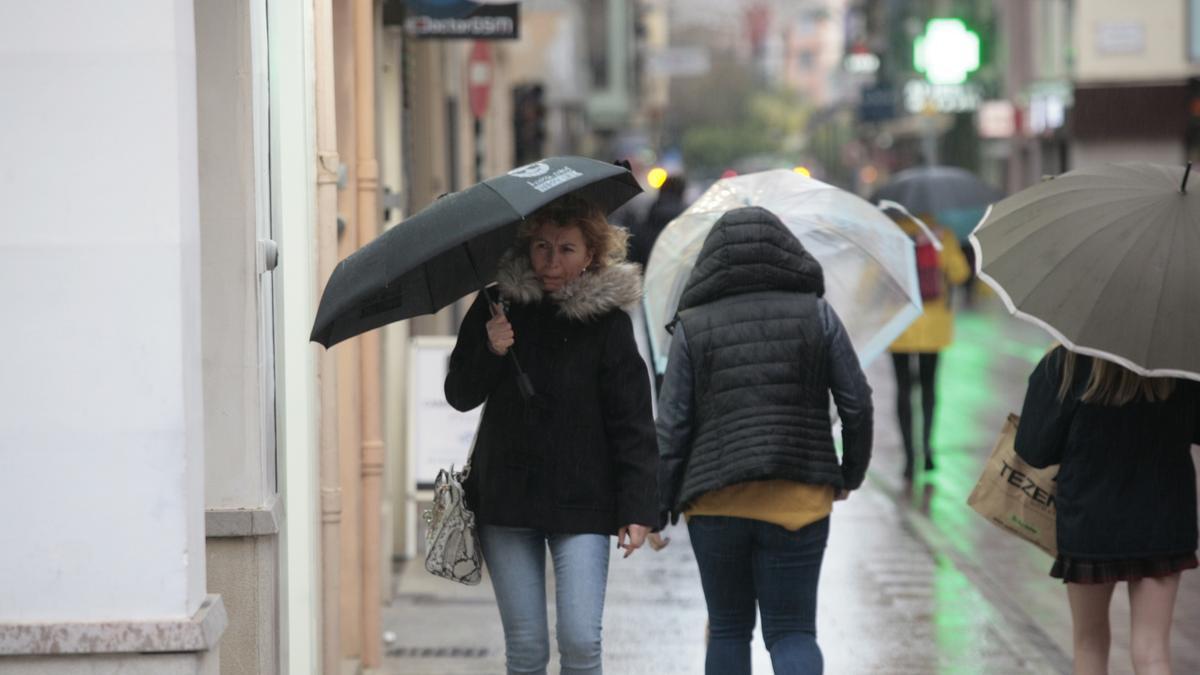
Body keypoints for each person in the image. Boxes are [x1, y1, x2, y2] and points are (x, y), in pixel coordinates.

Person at [444, 195, 659, 675]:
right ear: (526, 248)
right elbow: (459, 393)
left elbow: (633, 422)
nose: (551, 261)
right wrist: (490, 349)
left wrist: (640, 507)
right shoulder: (496, 307)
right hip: (508, 500)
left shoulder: (607, 325)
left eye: (566, 249)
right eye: (542, 246)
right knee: (526, 649)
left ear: (590, 255)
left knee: (581, 642)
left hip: (582, 499)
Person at [656, 206, 874, 675]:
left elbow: (672, 424)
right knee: (793, 631)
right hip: (799, 498)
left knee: (729, 628)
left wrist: (660, 505)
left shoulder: (692, 325)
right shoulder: (818, 315)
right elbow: (857, 404)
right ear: (788, 254)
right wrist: (847, 474)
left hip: (714, 502)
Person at [1015, 346, 1199, 675]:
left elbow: (1033, 449)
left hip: (1090, 519)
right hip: (1164, 518)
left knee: (1089, 643)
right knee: (1153, 652)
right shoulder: (1179, 364)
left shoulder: (1066, 362)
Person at [886, 212, 970, 479]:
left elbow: (873, 280)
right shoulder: (941, 234)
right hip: (934, 328)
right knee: (928, 388)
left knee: (903, 390)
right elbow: (960, 274)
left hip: (900, 326)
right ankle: (927, 448)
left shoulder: (894, 234)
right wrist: (941, 248)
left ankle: (909, 458)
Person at [627, 174, 687, 269]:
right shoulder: (688, 221)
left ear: (660, 191)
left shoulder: (647, 219)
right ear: (682, 192)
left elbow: (633, 257)